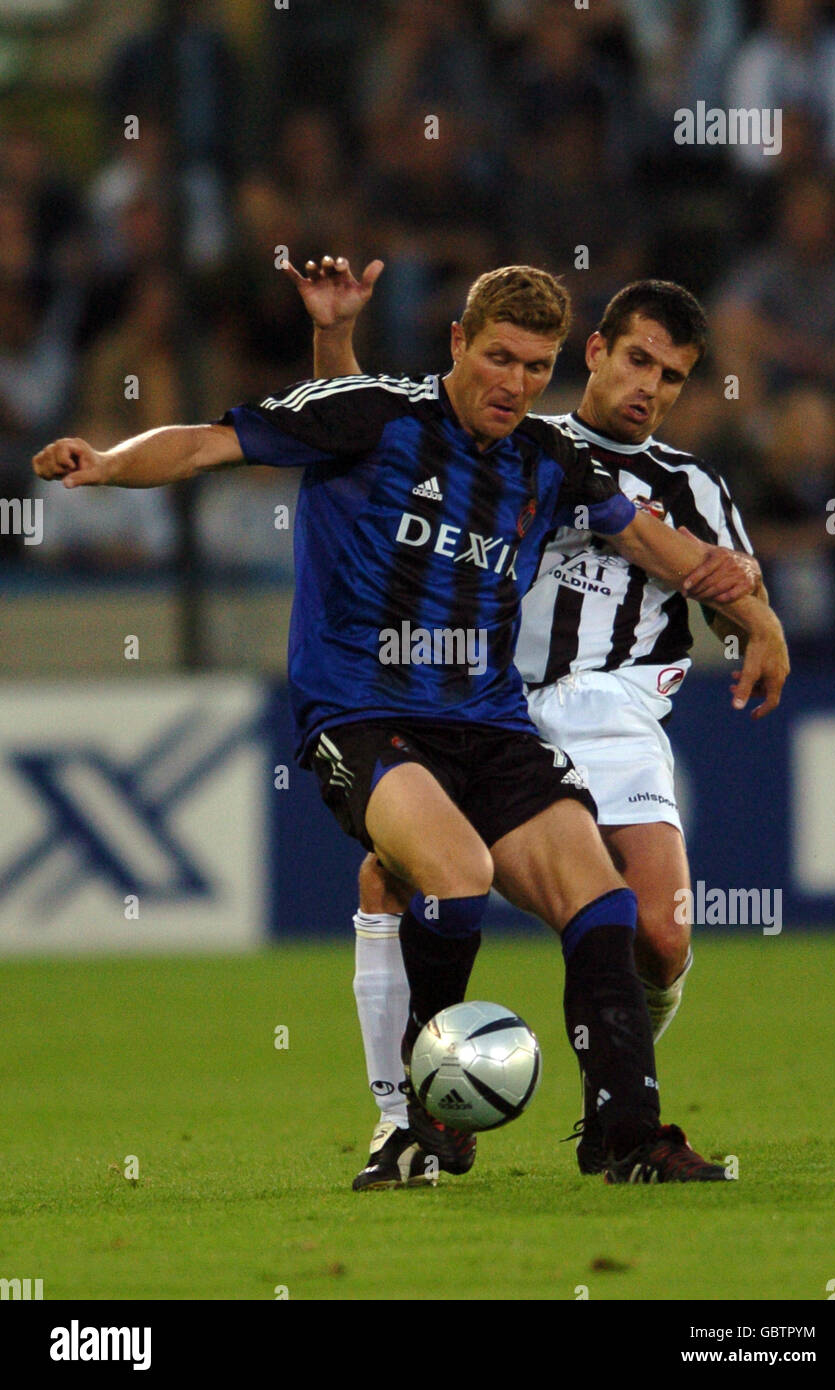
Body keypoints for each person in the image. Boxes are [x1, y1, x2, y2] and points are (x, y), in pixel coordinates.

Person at [34, 264, 788, 1190]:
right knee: (455, 874)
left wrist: (753, 609)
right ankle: (427, 1122)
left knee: (603, 905)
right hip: (364, 718)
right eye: (499, 358)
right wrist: (109, 464)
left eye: (533, 366)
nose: (513, 384)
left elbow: (653, 542)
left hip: (491, 723)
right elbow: (201, 447)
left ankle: (625, 1136)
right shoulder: (374, 417)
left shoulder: (548, 461)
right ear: (458, 345)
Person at [300, 259, 780, 1187]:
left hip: (617, 716)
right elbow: (358, 433)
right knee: (395, 877)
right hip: (494, 706)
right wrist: (332, 339)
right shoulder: (517, 437)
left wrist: (762, 626)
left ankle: (617, 1100)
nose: (648, 386)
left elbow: (718, 580)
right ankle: (404, 1118)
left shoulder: (693, 486)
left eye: (671, 375)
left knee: (659, 934)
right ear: (592, 353)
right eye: (636, 359)